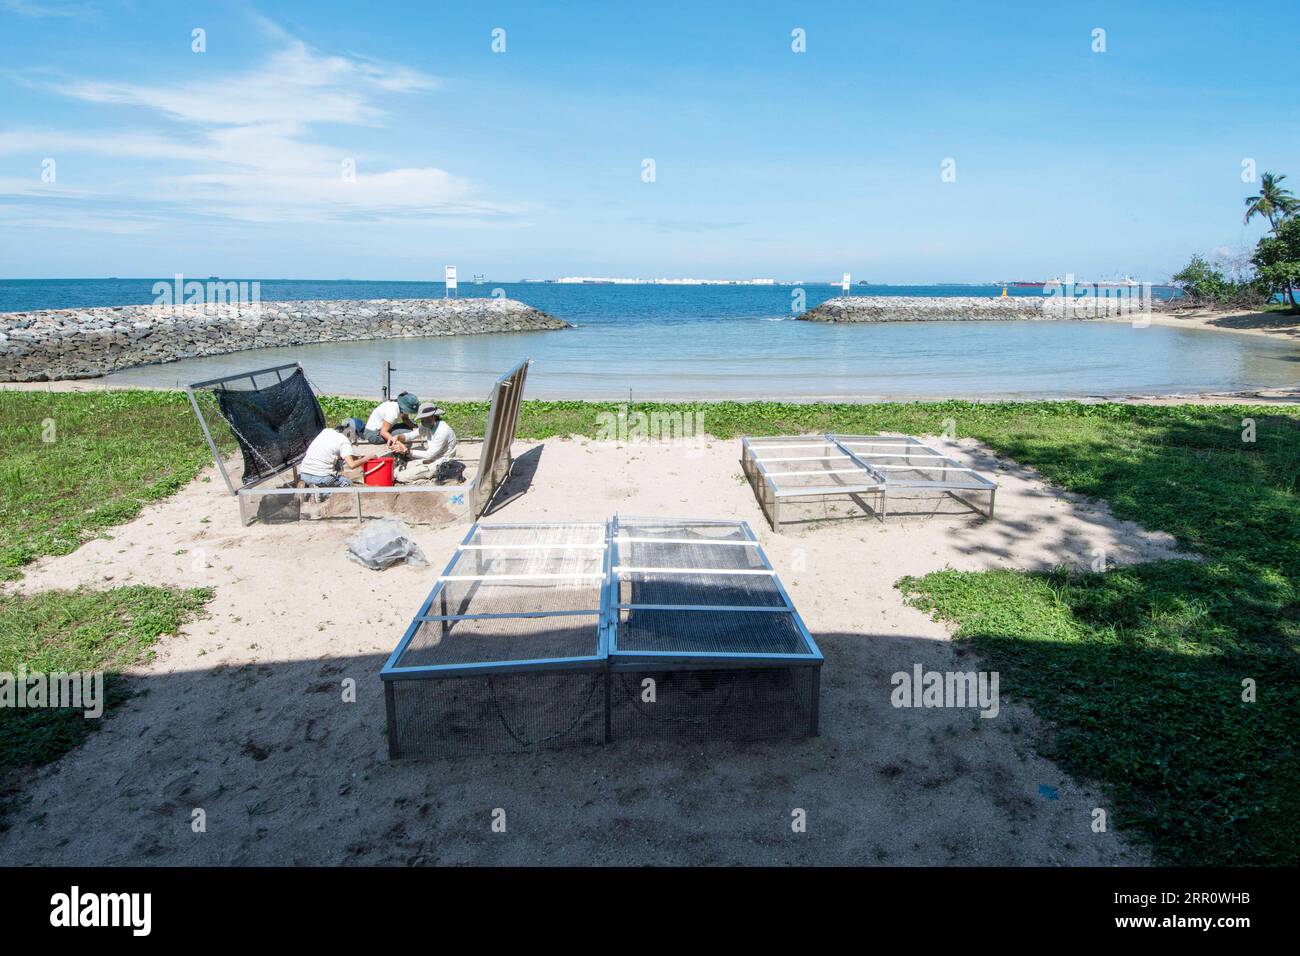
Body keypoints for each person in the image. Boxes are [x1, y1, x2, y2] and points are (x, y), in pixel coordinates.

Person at [394, 403, 460, 484]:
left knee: (401, 477)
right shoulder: (428, 425)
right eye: (422, 419)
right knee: (398, 470)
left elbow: (429, 454)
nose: (422, 422)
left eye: (424, 419)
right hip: (430, 459)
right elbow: (412, 435)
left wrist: (407, 451)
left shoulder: (442, 431)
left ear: (433, 417)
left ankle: (426, 481)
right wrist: (398, 437)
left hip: (441, 463)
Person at [298, 421, 371, 488]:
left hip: (304, 473)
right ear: (351, 431)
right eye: (357, 436)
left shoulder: (326, 431)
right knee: (348, 484)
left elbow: (332, 452)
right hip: (322, 477)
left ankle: (307, 485)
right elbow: (351, 465)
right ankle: (320, 492)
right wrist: (366, 458)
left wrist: (358, 458)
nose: (356, 439)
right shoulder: (344, 442)